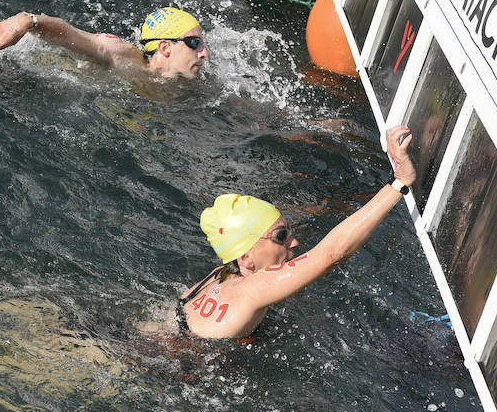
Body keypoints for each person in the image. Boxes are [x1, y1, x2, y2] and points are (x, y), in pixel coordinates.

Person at [178, 125, 417, 339]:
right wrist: (399, 182)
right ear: (246, 258)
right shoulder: (254, 289)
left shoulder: (215, 277)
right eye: (281, 236)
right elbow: (332, 254)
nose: (294, 242)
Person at [0, 6, 208, 79]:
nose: (204, 53)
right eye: (194, 43)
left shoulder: (187, 82)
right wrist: (23, 22)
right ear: (165, 47)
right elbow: (68, 33)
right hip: (9, 68)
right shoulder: (122, 56)